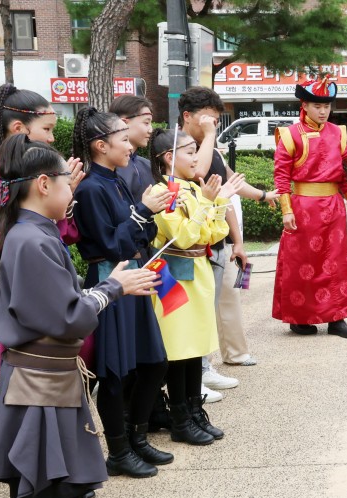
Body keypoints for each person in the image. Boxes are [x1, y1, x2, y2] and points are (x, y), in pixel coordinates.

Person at [0, 135, 159, 498]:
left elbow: (59, 305)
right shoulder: (31, 240)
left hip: (47, 387)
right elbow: (66, 318)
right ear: (44, 184)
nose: (73, 191)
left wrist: (106, 288)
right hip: (39, 393)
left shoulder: (33, 235)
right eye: (68, 181)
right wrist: (112, 288)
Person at [71, 108, 174, 477]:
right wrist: (143, 212)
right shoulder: (90, 189)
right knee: (115, 372)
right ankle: (118, 449)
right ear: (101, 145)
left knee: (153, 362)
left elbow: (141, 236)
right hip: (110, 279)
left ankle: (137, 437)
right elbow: (111, 246)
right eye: (123, 139)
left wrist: (144, 215)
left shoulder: (115, 180)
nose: (130, 146)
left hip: (135, 275)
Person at [147, 128, 241, 445]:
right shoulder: (162, 191)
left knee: (195, 347)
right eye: (191, 151)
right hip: (172, 276)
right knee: (179, 350)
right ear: (169, 157)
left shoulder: (189, 187)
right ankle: (180, 418)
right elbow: (183, 237)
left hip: (196, 270)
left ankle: (194, 412)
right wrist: (209, 204)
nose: (197, 158)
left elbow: (215, 232)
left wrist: (215, 202)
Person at [177, 87, 268, 395]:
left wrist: (263, 197)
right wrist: (208, 136)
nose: (213, 125)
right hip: (190, 246)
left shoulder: (210, 149)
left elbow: (229, 188)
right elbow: (200, 172)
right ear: (187, 116)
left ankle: (206, 367)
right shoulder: (180, 150)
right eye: (208, 119)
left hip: (218, 241)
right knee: (196, 311)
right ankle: (196, 375)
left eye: (216, 121)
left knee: (220, 301)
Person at [272, 77, 347, 338]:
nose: (323, 111)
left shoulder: (338, 133)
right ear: (305, 105)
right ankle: (299, 319)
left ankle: (337, 318)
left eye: (327, 106)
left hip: (333, 209)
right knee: (302, 264)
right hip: (303, 210)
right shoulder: (289, 135)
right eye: (317, 106)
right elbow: (281, 177)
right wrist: (286, 210)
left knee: (335, 264)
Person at [0, 84, 82, 264]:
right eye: (47, 129)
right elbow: (31, 234)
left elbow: (67, 236)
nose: (52, 139)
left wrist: (63, 190)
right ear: (18, 128)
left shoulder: (23, 173)